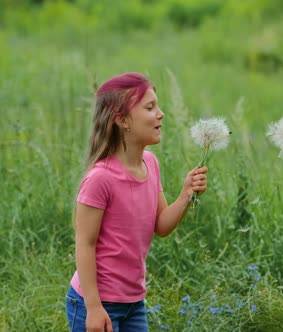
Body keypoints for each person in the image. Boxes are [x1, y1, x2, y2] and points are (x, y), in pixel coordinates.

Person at [65, 72, 208, 332]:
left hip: (134, 302)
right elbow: (84, 244)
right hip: (96, 302)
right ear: (122, 121)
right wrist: (94, 307)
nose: (161, 114)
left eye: (158, 106)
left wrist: (187, 193)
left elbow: (162, 225)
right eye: (150, 107)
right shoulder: (100, 178)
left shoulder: (150, 164)